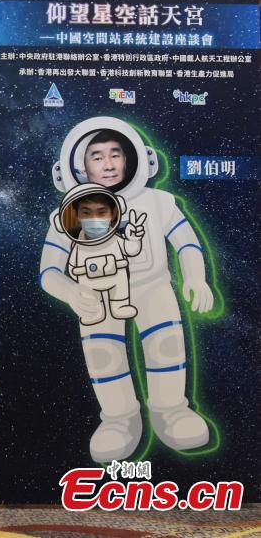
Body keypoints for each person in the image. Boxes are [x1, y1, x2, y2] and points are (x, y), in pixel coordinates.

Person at [39, 117, 213, 462]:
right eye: (97, 156)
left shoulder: (158, 202)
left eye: (115, 154)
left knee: (166, 347)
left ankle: (171, 410)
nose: (108, 164)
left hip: (154, 288)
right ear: (80, 166)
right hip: (96, 296)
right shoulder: (71, 211)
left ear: (133, 158)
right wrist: (71, 293)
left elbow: (187, 243)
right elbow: (49, 271)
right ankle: (119, 420)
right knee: (103, 355)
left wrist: (195, 277)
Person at [57, 185, 146, 325]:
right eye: (86, 213)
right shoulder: (78, 247)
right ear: (77, 215)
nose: (94, 219)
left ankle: (120, 305)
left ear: (113, 214)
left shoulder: (115, 240)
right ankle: (95, 311)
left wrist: (134, 239)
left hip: (117, 279)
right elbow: (73, 268)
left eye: (102, 212)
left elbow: (131, 250)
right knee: (91, 299)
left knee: (120, 290)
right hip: (89, 284)